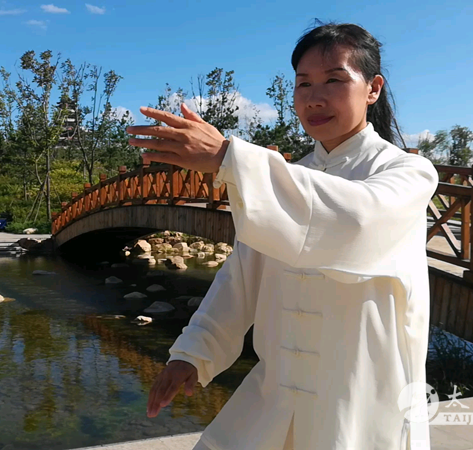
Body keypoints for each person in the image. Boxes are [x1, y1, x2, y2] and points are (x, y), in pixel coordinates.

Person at [126, 22, 438, 450]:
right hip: (278, 391)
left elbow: (356, 222)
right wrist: (192, 353)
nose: (314, 97)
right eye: (303, 83)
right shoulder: (288, 179)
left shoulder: (407, 172)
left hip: (360, 399)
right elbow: (241, 277)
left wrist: (228, 158)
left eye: (334, 80)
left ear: (373, 88)